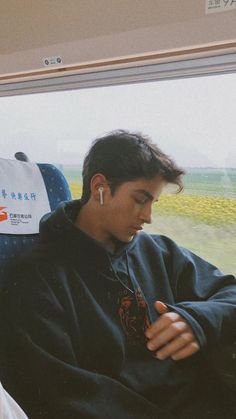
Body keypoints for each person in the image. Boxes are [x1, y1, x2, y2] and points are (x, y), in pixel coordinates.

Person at [0, 130, 236, 419]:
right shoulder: (34, 279)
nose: (148, 216)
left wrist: (198, 320)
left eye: (153, 203)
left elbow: (230, 292)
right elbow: (64, 396)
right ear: (100, 187)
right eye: (140, 199)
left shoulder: (160, 252)